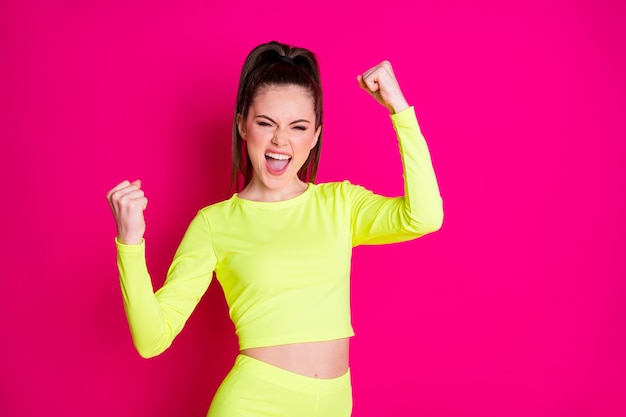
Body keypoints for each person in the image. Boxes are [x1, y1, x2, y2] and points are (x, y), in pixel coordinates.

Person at [106, 40, 443, 417]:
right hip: (254, 404)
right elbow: (152, 338)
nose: (281, 140)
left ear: (315, 136)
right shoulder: (215, 224)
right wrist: (130, 243)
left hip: (333, 404)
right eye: (266, 123)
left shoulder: (340, 204)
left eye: (298, 127)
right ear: (242, 125)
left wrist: (399, 109)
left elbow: (424, 217)